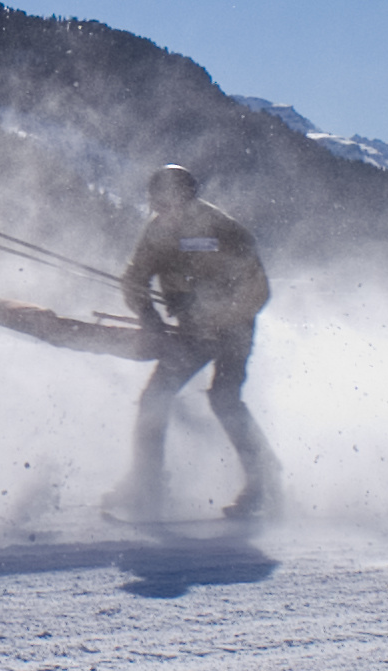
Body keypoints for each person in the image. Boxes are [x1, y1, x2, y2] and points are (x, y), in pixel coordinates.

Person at [110, 165, 281, 519]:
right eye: (155, 201)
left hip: (235, 329)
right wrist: (149, 317)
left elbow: (257, 290)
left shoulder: (224, 229)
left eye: (164, 199)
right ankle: (148, 484)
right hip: (192, 332)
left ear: (185, 195)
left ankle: (264, 480)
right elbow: (134, 279)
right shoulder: (157, 231)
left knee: (224, 398)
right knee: (154, 399)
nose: (159, 208)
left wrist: (214, 316)